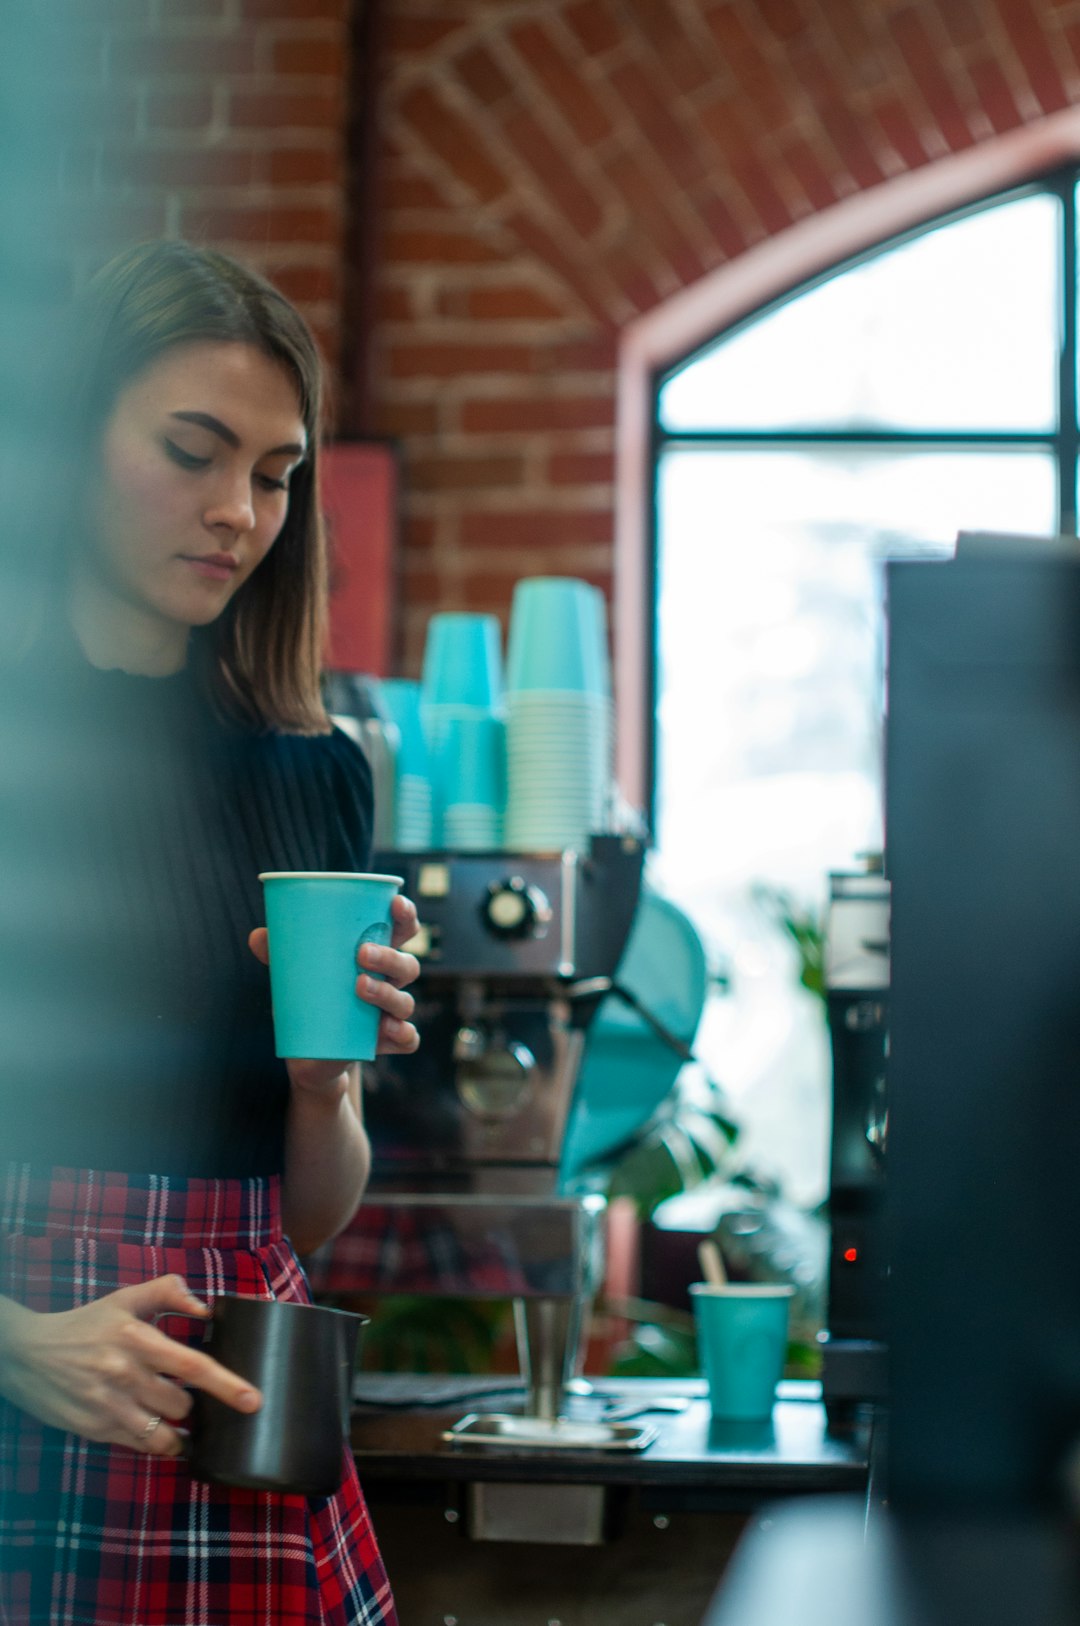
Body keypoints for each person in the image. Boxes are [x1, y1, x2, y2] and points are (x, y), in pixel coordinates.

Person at [0, 239, 420, 1625]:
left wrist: (327, 1084)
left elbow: (300, 1214)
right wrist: (11, 1343)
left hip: (237, 1405)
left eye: (275, 473)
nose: (238, 510)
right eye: (192, 450)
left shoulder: (318, 775)